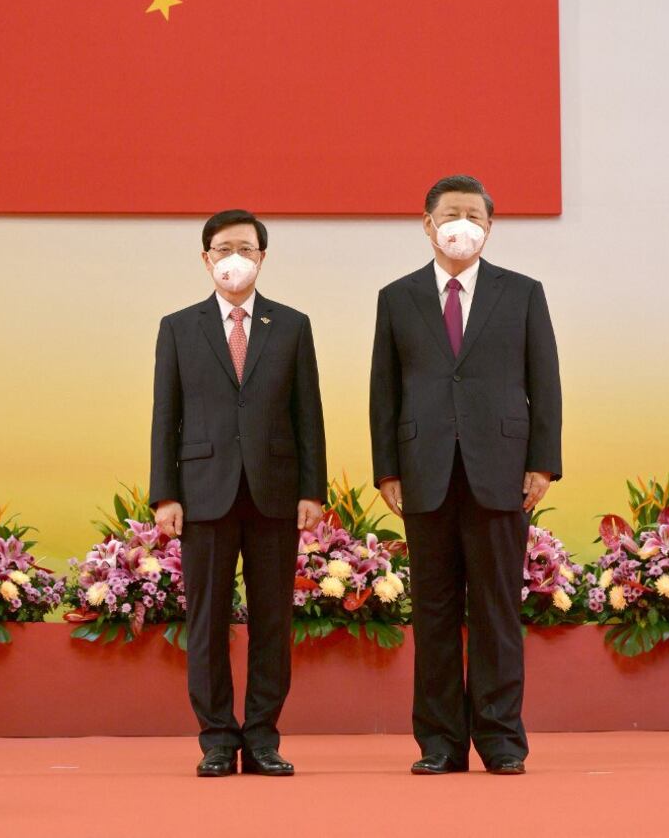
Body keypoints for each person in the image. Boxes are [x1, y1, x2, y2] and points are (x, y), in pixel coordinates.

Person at [369, 174, 562, 776]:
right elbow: (384, 391)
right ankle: (439, 742)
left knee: (498, 610)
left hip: (501, 471)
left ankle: (501, 738)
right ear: (427, 223)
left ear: (488, 226)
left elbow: (544, 381)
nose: (461, 223)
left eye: (473, 214)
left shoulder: (522, 292)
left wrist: (542, 460)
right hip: (424, 472)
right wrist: (387, 469)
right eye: (450, 213)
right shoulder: (397, 297)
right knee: (432, 611)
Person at [150, 209, 327, 777]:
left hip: (275, 493)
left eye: (245, 249)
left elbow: (309, 416)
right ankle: (218, 740)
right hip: (203, 494)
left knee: (272, 619)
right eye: (223, 248)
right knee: (207, 620)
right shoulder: (178, 327)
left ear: (262, 257)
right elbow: (165, 418)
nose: (234, 258)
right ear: (205, 258)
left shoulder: (292, 325)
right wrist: (165, 495)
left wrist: (312, 489)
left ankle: (263, 736)